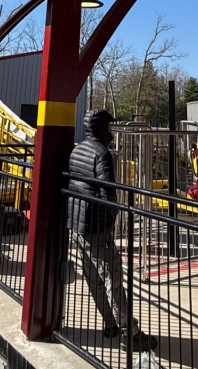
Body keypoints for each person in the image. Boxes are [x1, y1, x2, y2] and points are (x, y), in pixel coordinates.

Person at [67, 109, 157, 350]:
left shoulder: (77, 149)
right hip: (97, 225)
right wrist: (111, 220)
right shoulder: (103, 154)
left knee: (94, 279)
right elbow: (108, 191)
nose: (111, 131)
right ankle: (131, 332)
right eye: (109, 126)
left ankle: (110, 324)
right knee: (113, 278)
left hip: (76, 223)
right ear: (102, 129)